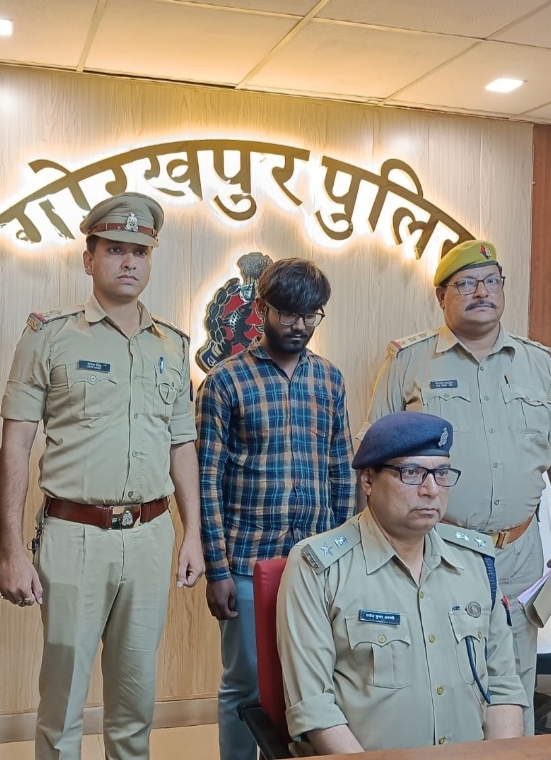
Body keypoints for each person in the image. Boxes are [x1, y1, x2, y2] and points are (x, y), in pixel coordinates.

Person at [0, 192, 204, 760]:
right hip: (74, 535)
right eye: (115, 249)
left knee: (136, 701)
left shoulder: (172, 345)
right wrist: (10, 550)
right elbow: (16, 445)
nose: (129, 261)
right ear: (89, 259)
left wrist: (193, 534)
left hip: (151, 537)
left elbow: (182, 445)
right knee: (62, 699)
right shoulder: (49, 335)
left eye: (140, 251)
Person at [364, 239, 551, 732]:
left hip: (518, 553)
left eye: (491, 281)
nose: (481, 292)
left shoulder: (542, 365)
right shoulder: (408, 361)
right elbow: (373, 461)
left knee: (514, 677)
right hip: (436, 548)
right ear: (441, 296)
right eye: (465, 283)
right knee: (442, 678)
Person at [278, 411, 527, 755]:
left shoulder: (476, 562)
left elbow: (502, 687)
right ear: (368, 479)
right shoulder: (318, 567)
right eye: (411, 473)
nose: (431, 490)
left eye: (441, 473)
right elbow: (315, 709)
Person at [195, 257, 355, 760]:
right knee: (244, 684)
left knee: (311, 681)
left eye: (311, 315)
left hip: (316, 563)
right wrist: (217, 570)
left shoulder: (329, 380)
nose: (300, 325)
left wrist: (344, 557)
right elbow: (206, 482)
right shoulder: (224, 382)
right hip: (246, 560)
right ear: (262, 308)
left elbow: (342, 472)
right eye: (288, 313)